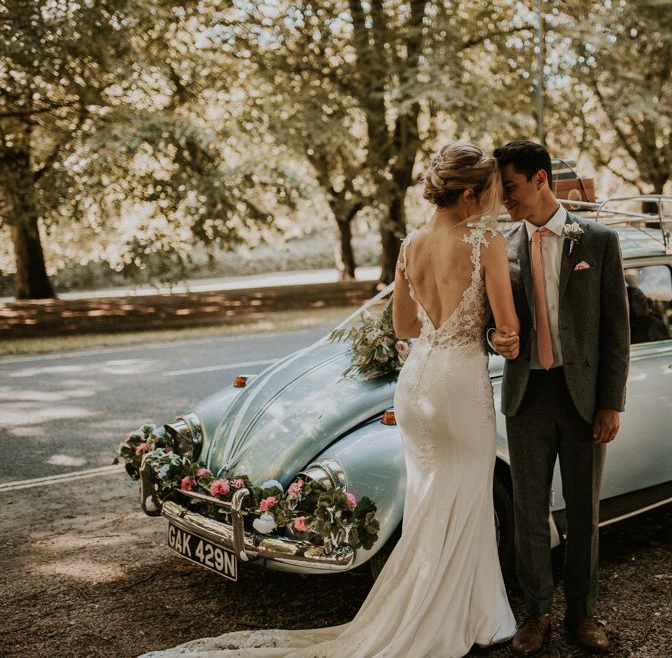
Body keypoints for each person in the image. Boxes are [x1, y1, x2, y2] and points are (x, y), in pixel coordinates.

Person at [142, 141, 521, 658]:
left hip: (416, 386)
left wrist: (444, 325)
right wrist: (505, 337)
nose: (490, 203)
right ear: (472, 193)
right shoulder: (486, 242)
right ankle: (472, 616)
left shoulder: (411, 245)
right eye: (488, 193)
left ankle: (443, 608)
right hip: (460, 383)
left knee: (430, 498)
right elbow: (507, 326)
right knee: (468, 495)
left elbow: (404, 325)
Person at [488, 140, 630, 655]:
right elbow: (491, 323)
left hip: (584, 397)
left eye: (511, 188)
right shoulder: (499, 248)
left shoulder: (598, 241)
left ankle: (583, 614)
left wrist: (610, 402)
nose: (506, 200)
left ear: (541, 179)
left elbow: (616, 329)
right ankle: (537, 614)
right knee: (528, 512)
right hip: (527, 395)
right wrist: (494, 338)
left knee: (584, 512)